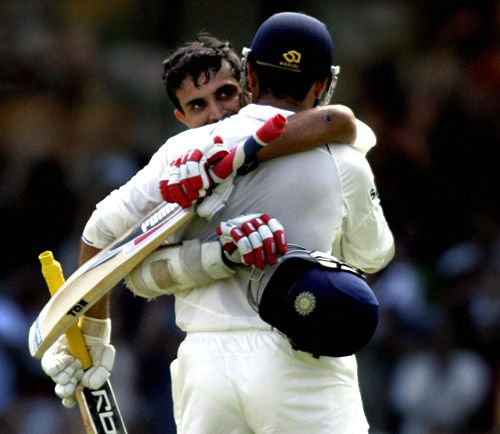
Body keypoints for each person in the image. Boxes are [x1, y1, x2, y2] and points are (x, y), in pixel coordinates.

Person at [42, 14, 394, 433]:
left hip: (204, 371)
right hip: (301, 359)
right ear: (321, 85)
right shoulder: (347, 160)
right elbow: (372, 255)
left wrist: (95, 337)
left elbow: (98, 237)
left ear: (249, 76)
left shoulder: (185, 150)